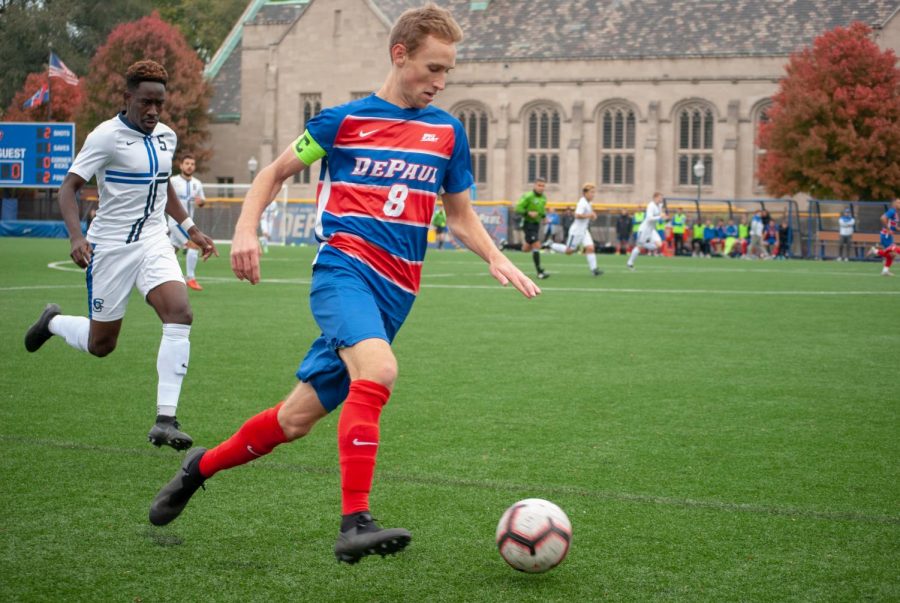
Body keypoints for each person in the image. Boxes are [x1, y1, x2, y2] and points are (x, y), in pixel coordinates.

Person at [148, 4, 541, 565]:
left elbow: (458, 216)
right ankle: (355, 521)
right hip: (343, 272)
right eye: (433, 68)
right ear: (398, 55)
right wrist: (244, 229)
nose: (441, 81)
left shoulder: (448, 134)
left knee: (293, 420)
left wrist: (496, 257)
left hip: (396, 296)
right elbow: (273, 173)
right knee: (379, 371)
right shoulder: (342, 122)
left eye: (448, 71)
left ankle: (198, 469)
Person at [23, 60, 218, 450]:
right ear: (128, 98)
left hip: (153, 241)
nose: (153, 112)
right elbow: (68, 188)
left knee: (180, 312)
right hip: (109, 248)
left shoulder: (166, 138)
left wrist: (191, 229)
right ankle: (54, 322)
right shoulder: (105, 137)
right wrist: (77, 237)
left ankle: (166, 419)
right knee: (102, 345)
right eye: (146, 102)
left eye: (159, 104)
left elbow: (164, 188)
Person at [545, 182, 603, 276]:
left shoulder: (589, 203)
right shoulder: (582, 203)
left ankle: (594, 270)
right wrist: (589, 215)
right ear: (585, 193)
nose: (593, 194)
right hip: (576, 231)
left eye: (594, 192)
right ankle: (551, 244)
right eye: (591, 192)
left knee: (590, 248)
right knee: (569, 251)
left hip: (584, 230)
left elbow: (590, 213)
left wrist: (593, 214)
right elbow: (577, 215)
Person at [168, 154, 207, 290]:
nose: (190, 166)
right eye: (187, 163)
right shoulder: (173, 181)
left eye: (192, 164)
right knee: (193, 245)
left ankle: (156, 276)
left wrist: (201, 202)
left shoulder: (197, 184)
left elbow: (202, 201)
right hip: (176, 223)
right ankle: (190, 278)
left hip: (189, 224)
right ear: (181, 166)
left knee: (169, 252)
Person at [515, 177, 550, 279]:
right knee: (536, 245)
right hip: (527, 223)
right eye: (539, 185)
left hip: (536, 224)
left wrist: (544, 217)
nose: (541, 188)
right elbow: (518, 208)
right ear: (534, 185)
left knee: (526, 248)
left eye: (543, 186)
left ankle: (506, 245)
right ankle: (539, 272)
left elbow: (542, 210)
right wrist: (528, 213)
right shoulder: (528, 196)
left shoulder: (543, 198)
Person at [627, 192, 667, 270]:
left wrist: (663, 217)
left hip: (651, 230)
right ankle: (630, 263)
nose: (661, 199)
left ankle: (643, 244)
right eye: (660, 198)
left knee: (659, 244)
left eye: (661, 198)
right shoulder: (651, 205)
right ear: (655, 197)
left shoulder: (659, 206)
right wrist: (659, 216)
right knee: (639, 247)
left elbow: (659, 216)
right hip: (644, 229)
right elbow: (649, 218)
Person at [867, 197, 899, 276]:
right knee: (895, 252)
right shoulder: (892, 211)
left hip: (889, 235)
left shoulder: (897, 213)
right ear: (894, 204)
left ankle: (885, 270)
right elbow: (883, 218)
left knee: (891, 255)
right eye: (898, 202)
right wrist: (888, 229)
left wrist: (896, 229)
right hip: (886, 235)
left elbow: (894, 226)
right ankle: (875, 251)